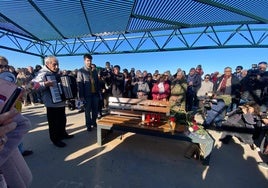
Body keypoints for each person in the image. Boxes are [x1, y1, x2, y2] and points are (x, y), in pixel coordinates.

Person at [32, 56, 74, 147]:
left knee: (62, 120)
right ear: (47, 64)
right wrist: (45, 84)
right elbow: (33, 86)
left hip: (60, 102)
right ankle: (55, 139)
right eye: (54, 64)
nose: (57, 66)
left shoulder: (57, 72)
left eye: (57, 64)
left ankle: (63, 134)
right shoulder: (42, 74)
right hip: (51, 103)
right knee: (54, 123)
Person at [77, 54, 100, 131]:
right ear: (84, 61)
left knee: (95, 110)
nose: (89, 62)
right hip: (86, 95)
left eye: (90, 60)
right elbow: (80, 84)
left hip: (95, 94)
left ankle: (94, 122)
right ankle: (88, 125)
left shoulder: (94, 71)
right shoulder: (81, 71)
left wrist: (99, 91)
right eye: (87, 60)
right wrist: (81, 96)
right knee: (87, 111)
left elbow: (97, 82)